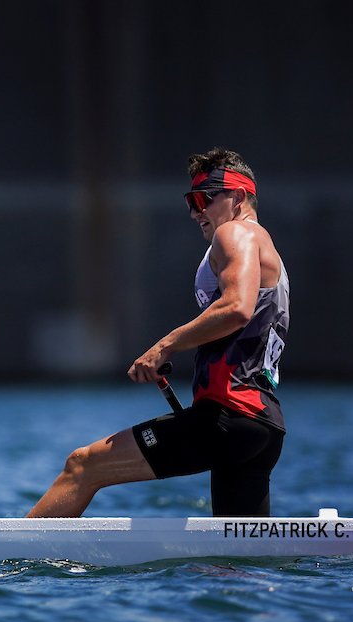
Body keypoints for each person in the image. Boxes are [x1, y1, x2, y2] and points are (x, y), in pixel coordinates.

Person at [27, 147, 289, 518]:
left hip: (228, 417)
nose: (197, 212)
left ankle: (9, 561)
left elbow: (237, 308)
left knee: (83, 466)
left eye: (204, 199)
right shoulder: (268, 250)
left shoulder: (237, 233)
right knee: (234, 565)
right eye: (191, 202)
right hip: (262, 427)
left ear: (239, 196)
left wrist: (164, 346)